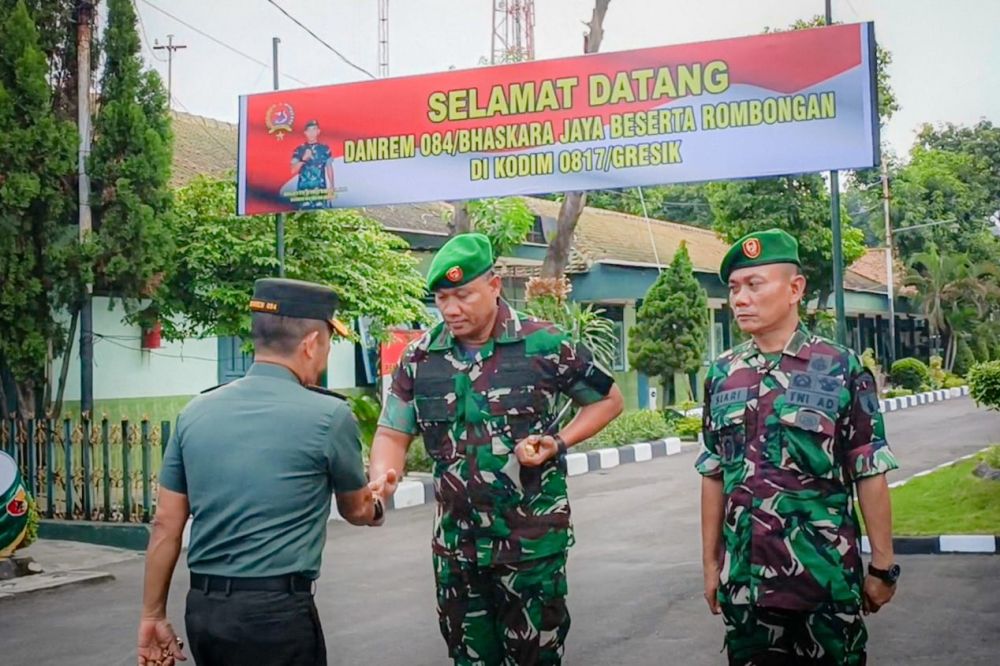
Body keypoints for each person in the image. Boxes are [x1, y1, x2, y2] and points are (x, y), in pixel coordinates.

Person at [369, 233, 624, 665]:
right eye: (441, 298)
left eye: (462, 295)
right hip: (457, 550)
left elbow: (607, 399)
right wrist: (382, 478)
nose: (450, 309)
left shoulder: (545, 344)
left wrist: (559, 442)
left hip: (530, 547)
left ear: (493, 286)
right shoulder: (420, 357)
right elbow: (393, 431)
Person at [137, 278, 394, 666]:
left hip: (205, 613)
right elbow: (356, 510)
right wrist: (377, 502)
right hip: (277, 616)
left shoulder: (195, 413)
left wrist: (153, 615)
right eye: (326, 343)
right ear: (310, 343)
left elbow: (165, 526)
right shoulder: (329, 416)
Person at [696, 229, 901, 665]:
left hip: (822, 584)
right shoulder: (723, 374)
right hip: (747, 589)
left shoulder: (839, 368)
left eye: (754, 285)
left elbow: (869, 469)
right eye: (734, 288)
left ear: (795, 289)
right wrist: (711, 563)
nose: (740, 299)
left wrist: (882, 566)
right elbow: (713, 472)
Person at [280, 119, 336, 209]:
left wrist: (332, 186)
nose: (311, 132)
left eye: (314, 129)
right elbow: (293, 170)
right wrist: (303, 159)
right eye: (309, 130)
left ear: (318, 131)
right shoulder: (299, 150)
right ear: (305, 133)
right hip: (303, 193)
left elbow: (329, 167)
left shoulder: (324, 148)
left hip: (320, 192)